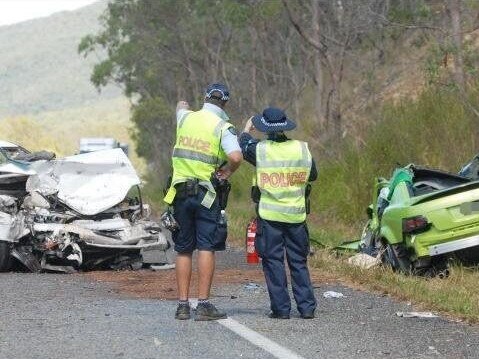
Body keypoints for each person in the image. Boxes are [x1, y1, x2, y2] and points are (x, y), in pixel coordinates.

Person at [164, 83, 243, 321]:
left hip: (179, 194)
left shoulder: (185, 119)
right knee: (206, 247)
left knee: (183, 249)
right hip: (206, 195)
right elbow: (236, 156)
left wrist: (184, 104)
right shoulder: (223, 127)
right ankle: (204, 305)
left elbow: (180, 105)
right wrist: (228, 171)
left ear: (206, 98)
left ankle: (182, 305)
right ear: (225, 104)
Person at [239, 107, 317, 319]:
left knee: (273, 261)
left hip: (271, 218)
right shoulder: (302, 149)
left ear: (265, 128)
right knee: (298, 262)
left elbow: (243, 144)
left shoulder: (261, 150)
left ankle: (281, 309)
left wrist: (247, 129)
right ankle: (307, 308)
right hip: (296, 217)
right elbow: (313, 175)